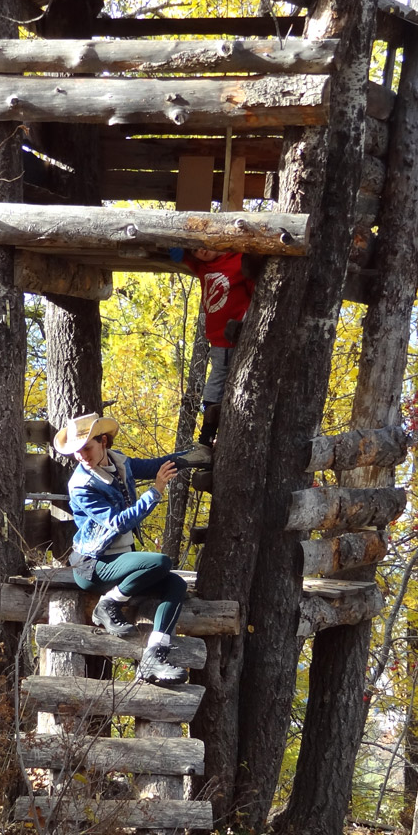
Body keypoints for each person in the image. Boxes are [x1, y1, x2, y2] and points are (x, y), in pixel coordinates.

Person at [55, 411, 201, 685]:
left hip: (121, 562)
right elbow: (118, 523)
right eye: (76, 452)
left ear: (104, 441)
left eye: (87, 447)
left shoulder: (119, 462)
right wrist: (155, 491)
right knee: (159, 563)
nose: (82, 456)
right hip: (94, 566)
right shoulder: (82, 485)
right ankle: (108, 604)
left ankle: (154, 657)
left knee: (176, 586)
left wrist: (195, 455)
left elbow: (158, 464)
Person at [174, 248, 259, 447]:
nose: (201, 251)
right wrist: (179, 251)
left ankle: (208, 434)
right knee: (217, 382)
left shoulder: (238, 260)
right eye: (195, 250)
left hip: (233, 334)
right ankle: (210, 430)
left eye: (205, 245)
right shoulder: (203, 265)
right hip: (217, 338)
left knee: (219, 381)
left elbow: (255, 288)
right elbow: (187, 256)